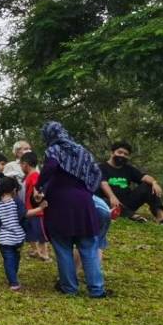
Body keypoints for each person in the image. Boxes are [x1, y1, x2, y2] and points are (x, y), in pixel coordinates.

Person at [38, 121, 107, 298]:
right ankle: (97, 289)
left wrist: (40, 185)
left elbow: (52, 165)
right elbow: (96, 172)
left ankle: (69, 288)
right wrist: (87, 189)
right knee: (89, 247)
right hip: (84, 202)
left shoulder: (54, 149)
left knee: (63, 248)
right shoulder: (81, 151)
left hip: (60, 203)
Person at [100, 141, 163, 225]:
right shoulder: (101, 168)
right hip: (110, 202)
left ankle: (161, 217)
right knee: (97, 198)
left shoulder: (129, 169)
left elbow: (144, 177)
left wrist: (154, 183)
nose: (122, 155)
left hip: (127, 202)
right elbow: (103, 183)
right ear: (112, 153)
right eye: (119, 152)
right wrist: (112, 197)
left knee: (148, 185)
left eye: (125, 154)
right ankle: (131, 215)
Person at [0, 177, 27, 291]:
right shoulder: (17, 201)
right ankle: (13, 281)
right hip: (18, 238)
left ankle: (12, 279)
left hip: (4, 240)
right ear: (14, 190)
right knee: (15, 258)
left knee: (9, 259)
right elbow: (25, 215)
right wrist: (40, 209)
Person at [18, 151, 50, 261]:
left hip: (37, 211)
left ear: (25, 164)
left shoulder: (35, 175)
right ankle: (36, 250)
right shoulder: (27, 177)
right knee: (30, 232)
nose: (21, 167)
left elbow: (38, 187)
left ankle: (44, 253)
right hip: (29, 210)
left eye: (21, 164)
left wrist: (38, 195)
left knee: (41, 233)